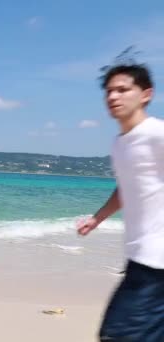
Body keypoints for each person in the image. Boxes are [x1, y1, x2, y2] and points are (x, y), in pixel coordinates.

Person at [76, 61, 164, 341]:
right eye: (109, 91)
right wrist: (97, 218)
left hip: (156, 261)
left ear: (146, 94)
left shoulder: (156, 134)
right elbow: (126, 188)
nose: (113, 97)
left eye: (123, 89)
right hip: (142, 256)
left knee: (117, 334)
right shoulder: (120, 143)